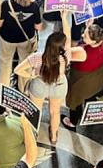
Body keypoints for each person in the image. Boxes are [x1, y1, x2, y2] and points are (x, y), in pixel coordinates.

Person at [15, 11, 77, 144]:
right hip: (59, 86)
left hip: (39, 85)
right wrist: (64, 18)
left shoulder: (37, 57)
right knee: (55, 112)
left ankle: (33, 134)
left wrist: (32, 74)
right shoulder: (66, 56)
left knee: (35, 111)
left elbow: (17, 70)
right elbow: (68, 36)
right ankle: (54, 136)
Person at [0, 0, 43, 92]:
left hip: (7, 39)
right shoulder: (34, 6)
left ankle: (3, 91)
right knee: (25, 66)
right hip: (26, 40)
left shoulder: (6, 5)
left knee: (5, 64)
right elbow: (39, 27)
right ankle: (23, 91)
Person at [64, 24, 103, 129]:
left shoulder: (82, 52)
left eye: (85, 36)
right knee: (91, 95)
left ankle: (72, 122)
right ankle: (90, 114)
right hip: (98, 75)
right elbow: (94, 34)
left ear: (93, 41)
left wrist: (64, 21)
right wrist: (89, 25)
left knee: (75, 100)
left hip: (81, 79)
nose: (82, 35)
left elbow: (67, 52)